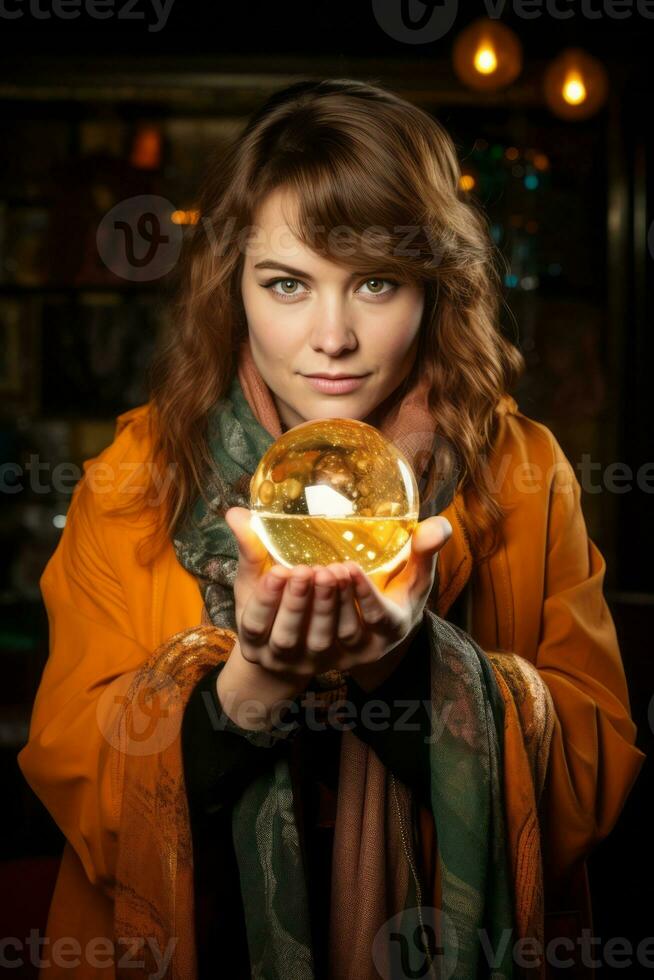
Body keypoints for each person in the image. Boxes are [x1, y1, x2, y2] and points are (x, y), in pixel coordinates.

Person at [17, 78, 644, 980]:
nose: (332, 336)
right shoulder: (131, 481)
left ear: (437, 287)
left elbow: (593, 781)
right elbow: (78, 781)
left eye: (376, 283)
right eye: (288, 284)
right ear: (232, 285)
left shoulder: (525, 471)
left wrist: (409, 668)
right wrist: (246, 692)